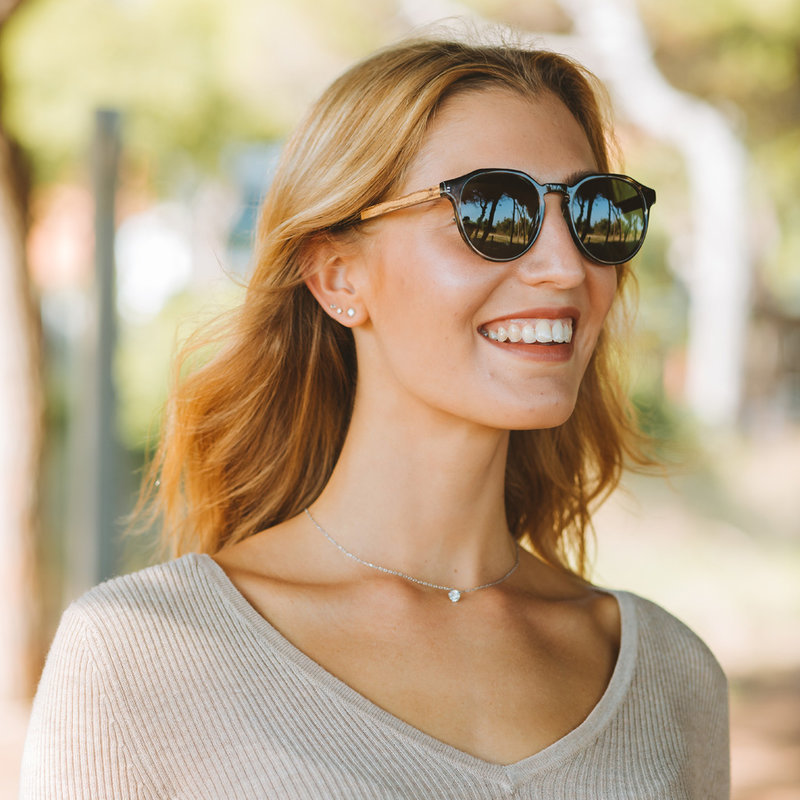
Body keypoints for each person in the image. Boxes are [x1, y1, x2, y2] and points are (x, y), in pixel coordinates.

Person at [20, 33, 729, 799]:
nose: (566, 266)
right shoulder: (143, 654)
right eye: (493, 211)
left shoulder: (668, 677)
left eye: (596, 213)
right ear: (336, 276)